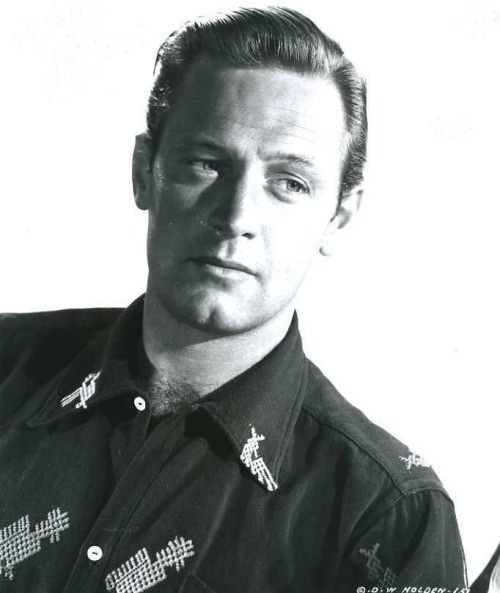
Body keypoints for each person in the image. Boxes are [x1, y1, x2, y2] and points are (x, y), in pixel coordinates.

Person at [0, 7, 467, 592]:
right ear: (144, 172)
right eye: (207, 163)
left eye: (290, 183)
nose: (238, 216)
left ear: (339, 216)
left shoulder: (387, 517)